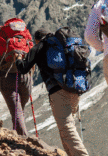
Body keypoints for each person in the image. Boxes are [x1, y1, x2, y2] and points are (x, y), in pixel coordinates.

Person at [15, 27, 89, 156]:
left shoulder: (39, 47)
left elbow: (23, 68)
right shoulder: (62, 44)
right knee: (66, 127)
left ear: (36, 40)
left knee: (66, 127)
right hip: (75, 87)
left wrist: (18, 58)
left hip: (57, 91)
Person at [0, 18, 33, 136]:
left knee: (16, 113)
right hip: (26, 78)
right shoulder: (25, 40)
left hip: (8, 78)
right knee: (20, 111)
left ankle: (23, 141)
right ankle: (20, 138)